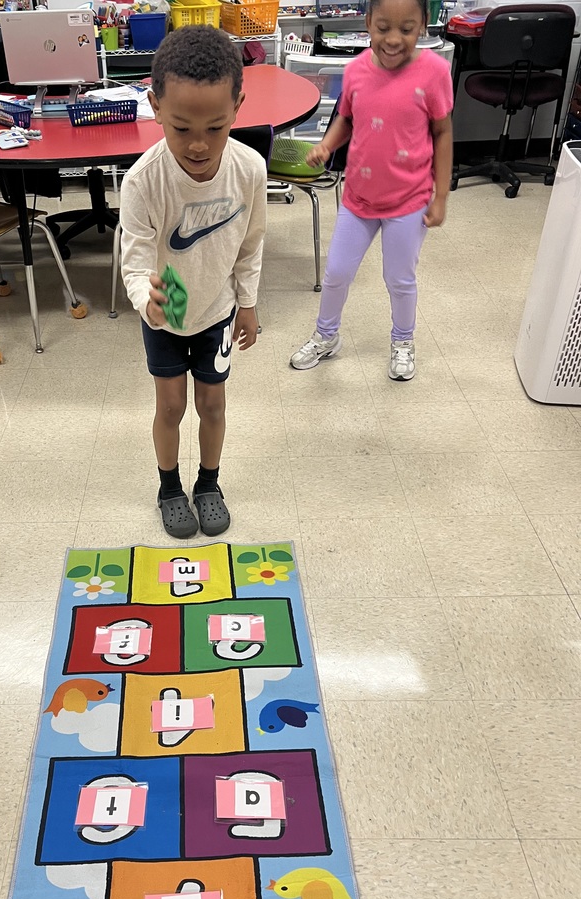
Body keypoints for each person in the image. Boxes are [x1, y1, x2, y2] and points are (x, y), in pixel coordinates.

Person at [120, 25, 266, 539]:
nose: (199, 145)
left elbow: (251, 243)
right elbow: (135, 259)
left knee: (213, 405)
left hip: (217, 309)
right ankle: (168, 489)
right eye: (181, 128)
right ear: (155, 106)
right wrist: (147, 300)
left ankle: (209, 484)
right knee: (171, 406)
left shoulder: (249, 170)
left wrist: (247, 303)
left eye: (216, 127)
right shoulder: (143, 181)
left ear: (237, 108)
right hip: (169, 308)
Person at [290, 0, 453, 381]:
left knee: (399, 279)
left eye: (406, 30)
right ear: (367, 23)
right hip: (359, 198)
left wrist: (441, 196)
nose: (393, 39)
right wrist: (326, 145)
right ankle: (326, 335)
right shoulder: (357, 70)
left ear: (423, 25)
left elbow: (443, 132)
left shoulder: (434, 72)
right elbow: (346, 118)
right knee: (336, 272)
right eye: (383, 28)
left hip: (409, 200)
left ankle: (403, 340)